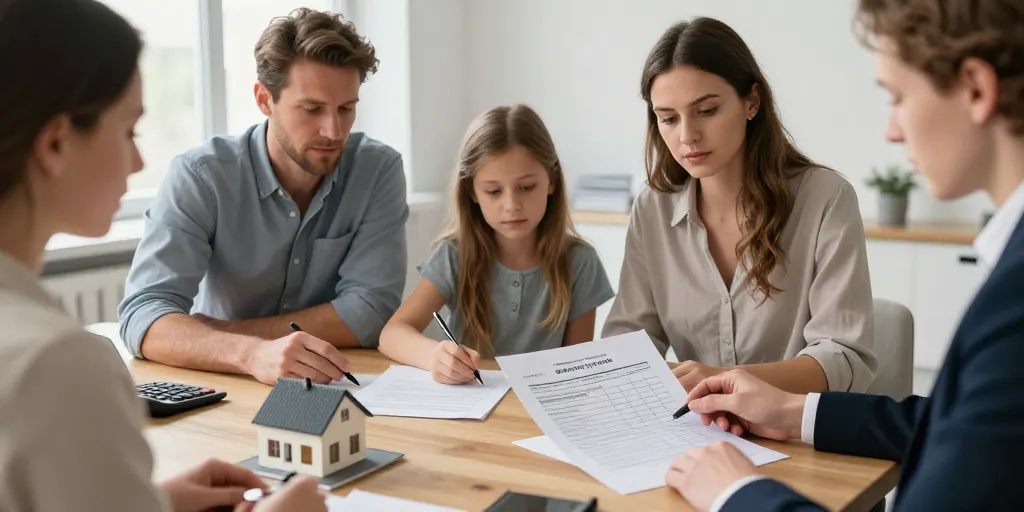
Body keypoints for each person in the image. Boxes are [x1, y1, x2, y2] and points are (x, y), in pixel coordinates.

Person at [663, 1, 1024, 510]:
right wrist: (794, 411)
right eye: (667, 117)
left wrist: (737, 492)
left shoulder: (1015, 300)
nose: (891, 131)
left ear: (977, 89)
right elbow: (955, 423)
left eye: (897, 97)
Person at [0, 0, 324, 510]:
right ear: (56, 144)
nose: (139, 161)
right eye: (129, 130)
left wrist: (151, 502)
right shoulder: (58, 364)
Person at [117, 7, 409, 386]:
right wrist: (250, 353)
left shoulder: (378, 171)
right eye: (312, 109)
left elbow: (371, 311)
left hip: (342, 382)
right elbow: (145, 317)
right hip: (227, 380)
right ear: (263, 99)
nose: (334, 130)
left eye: (346, 108)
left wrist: (227, 332)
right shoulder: (201, 176)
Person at [602, 17, 877, 395]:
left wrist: (722, 380)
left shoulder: (826, 199)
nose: (687, 136)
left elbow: (844, 357)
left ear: (752, 102)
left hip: (797, 434)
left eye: (707, 110)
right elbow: (628, 346)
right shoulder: (652, 209)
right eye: (668, 118)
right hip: (695, 430)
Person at [378, 105, 614, 384]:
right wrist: (435, 356)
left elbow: (577, 367)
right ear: (472, 192)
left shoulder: (580, 262)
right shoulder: (455, 255)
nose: (511, 206)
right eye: (493, 191)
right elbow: (392, 334)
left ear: (551, 180)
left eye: (526, 187)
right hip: (471, 409)